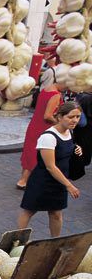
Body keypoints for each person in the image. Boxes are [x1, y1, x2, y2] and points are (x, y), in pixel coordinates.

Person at [18, 102, 83, 237]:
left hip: (59, 181)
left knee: (56, 214)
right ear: (59, 117)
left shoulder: (69, 132)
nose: (75, 120)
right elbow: (50, 166)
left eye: (78, 117)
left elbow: (65, 152)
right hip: (43, 182)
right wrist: (69, 185)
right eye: (71, 117)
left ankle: (55, 242)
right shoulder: (48, 137)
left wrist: (76, 149)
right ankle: (17, 241)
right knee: (29, 211)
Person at [18, 80, 63, 189]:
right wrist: (60, 124)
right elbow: (47, 116)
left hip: (34, 124)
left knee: (30, 151)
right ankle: (24, 181)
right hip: (43, 127)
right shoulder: (55, 95)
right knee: (37, 153)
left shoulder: (46, 89)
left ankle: (23, 179)